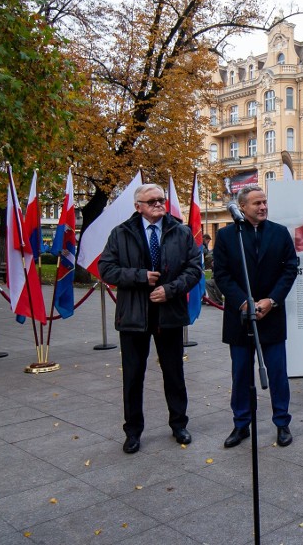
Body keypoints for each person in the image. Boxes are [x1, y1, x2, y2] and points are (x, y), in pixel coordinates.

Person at [99, 183, 202, 454]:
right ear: (138, 207)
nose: (159, 203)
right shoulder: (121, 234)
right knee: (133, 377)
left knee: (174, 373)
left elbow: (194, 269)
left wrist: (171, 290)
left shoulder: (180, 231)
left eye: (161, 199)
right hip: (133, 316)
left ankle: (179, 424)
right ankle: (132, 432)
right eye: (152, 200)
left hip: (169, 314)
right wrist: (139, 277)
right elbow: (106, 269)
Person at [214, 184, 298, 448]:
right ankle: (241, 425)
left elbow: (290, 269)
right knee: (240, 373)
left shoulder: (279, 232)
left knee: (277, 372)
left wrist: (271, 301)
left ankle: (282, 423)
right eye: (256, 203)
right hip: (240, 317)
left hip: (271, 315)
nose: (263, 207)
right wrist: (242, 302)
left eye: (264, 202)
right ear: (242, 207)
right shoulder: (228, 236)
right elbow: (222, 274)